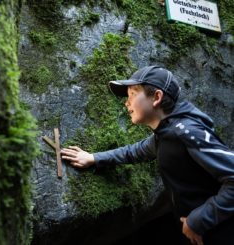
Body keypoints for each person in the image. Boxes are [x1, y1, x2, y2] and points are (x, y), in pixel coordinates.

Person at [61, 65, 234, 245]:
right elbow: (136, 151)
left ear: (157, 97)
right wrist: (94, 158)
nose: (126, 102)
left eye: (133, 94)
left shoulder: (188, 133)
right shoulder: (165, 133)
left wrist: (198, 220)